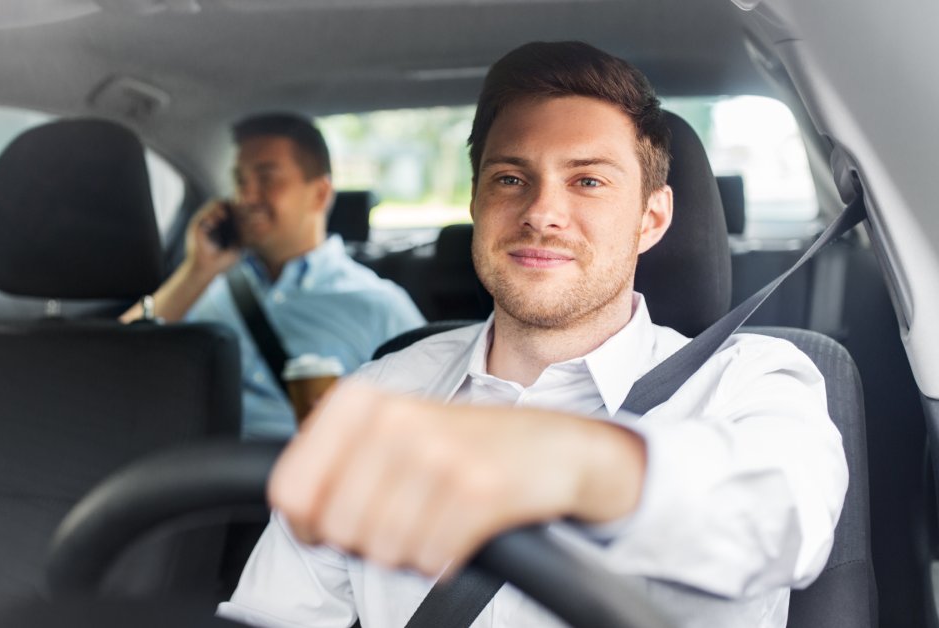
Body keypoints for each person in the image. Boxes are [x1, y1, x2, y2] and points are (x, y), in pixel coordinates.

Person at [217, 42, 847, 627]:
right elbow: (276, 612)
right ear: (475, 204)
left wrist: (569, 465)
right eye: (511, 179)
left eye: (588, 180)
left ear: (652, 218)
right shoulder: (381, 393)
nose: (542, 211)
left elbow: (784, 519)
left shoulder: (753, 381)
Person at [120, 113, 425, 440]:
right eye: (240, 181)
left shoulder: (381, 306)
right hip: (192, 475)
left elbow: (428, 426)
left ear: (320, 194)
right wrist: (196, 271)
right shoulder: (204, 286)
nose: (246, 197)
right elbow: (109, 362)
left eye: (267, 178)